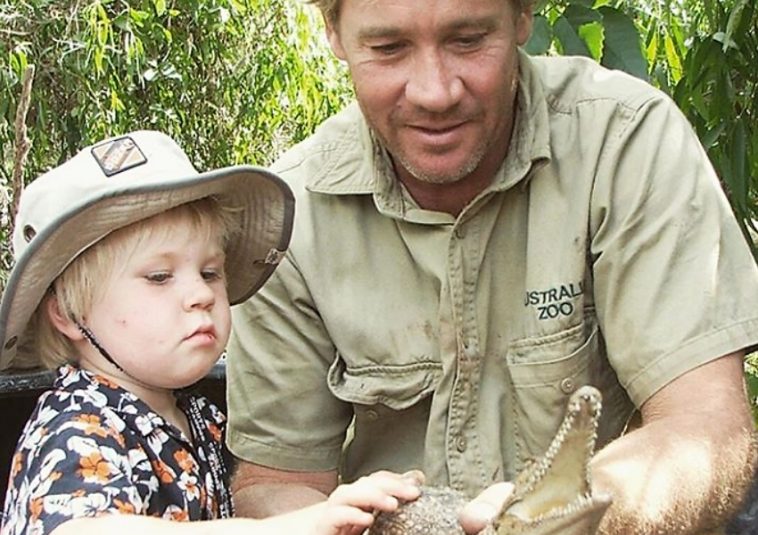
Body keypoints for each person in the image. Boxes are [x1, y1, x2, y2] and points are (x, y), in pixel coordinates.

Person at [224, 0, 758, 532]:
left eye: (469, 40)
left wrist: (575, 514)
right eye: (388, 49)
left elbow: (704, 426)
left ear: (523, 16)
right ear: (334, 34)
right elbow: (276, 482)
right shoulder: (291, 220)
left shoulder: (624, 144)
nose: (435, 92)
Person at [0, 130, 422, 535]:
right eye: (160, 276)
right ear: (70, 315)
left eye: (209, 272)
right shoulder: (79, 426)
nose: (200, 294)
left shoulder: (202, 421)